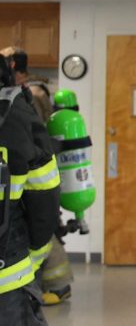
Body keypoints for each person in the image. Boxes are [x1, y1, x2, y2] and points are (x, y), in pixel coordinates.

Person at [1, 47, 73, 305]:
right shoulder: (24, 96)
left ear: (15, 68)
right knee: (44, 225)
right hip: (35, 171)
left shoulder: (29, 96)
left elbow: (35, 137)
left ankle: (56, 284)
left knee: (45, 229)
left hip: (33, 169)